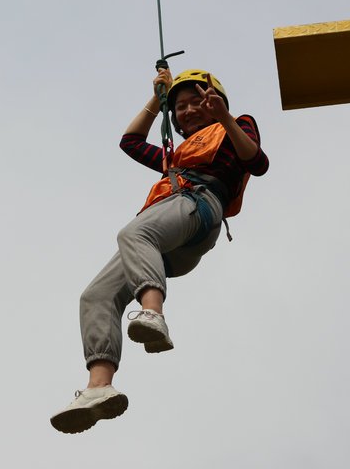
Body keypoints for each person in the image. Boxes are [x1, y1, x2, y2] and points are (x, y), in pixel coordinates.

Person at [50, 68, 269, 434]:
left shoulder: (233, 128)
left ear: (214, 101)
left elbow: (258, 163)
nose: (186, 111)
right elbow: (131, 142)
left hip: (197, 206)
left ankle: (153, 314)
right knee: (97, 295)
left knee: (134, 233)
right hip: (165, 243)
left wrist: (225, 116)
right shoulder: (177, 156)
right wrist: (157, 97)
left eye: (195, 101)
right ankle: (98, 388)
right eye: (179, 107)